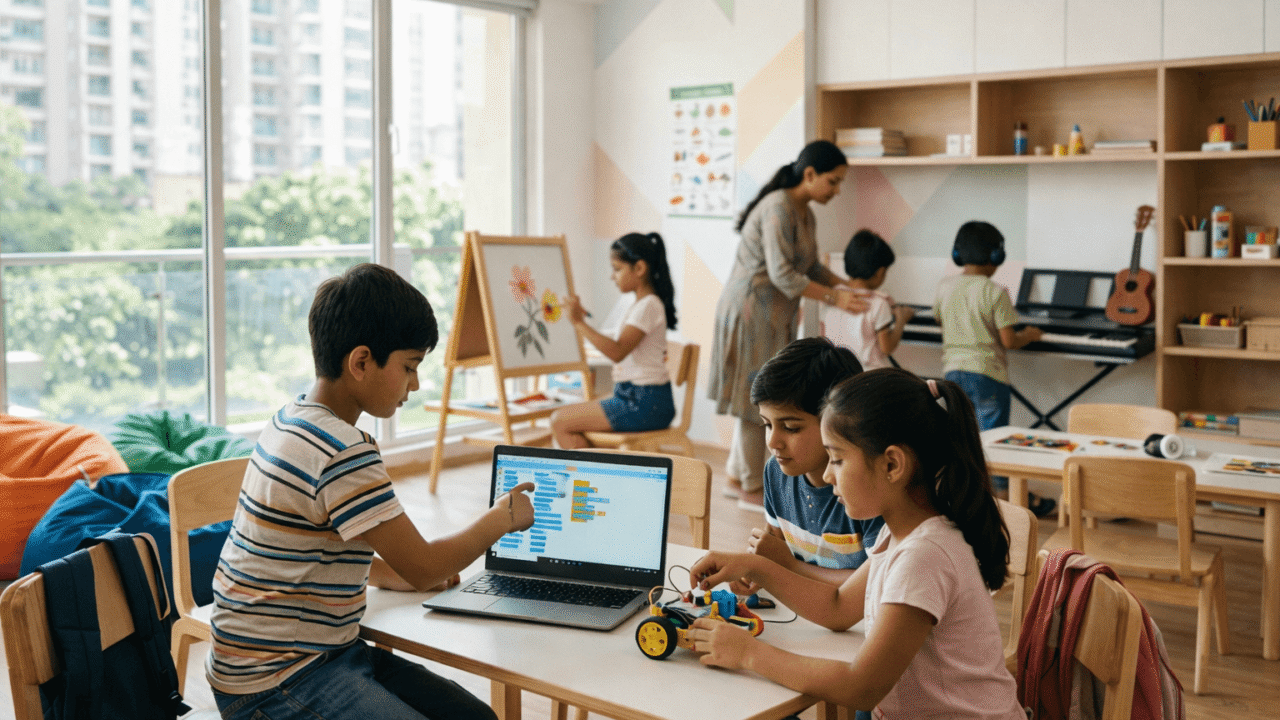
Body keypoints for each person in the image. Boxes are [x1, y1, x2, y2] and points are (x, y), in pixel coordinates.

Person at [207, 263, 537, 720]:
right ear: (361, 362)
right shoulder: (343, 450)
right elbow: (424, 567)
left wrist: (387, 574)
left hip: (307, 656)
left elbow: (314, 549)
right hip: (276, 679)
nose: (415, 384)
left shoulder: (291, 419)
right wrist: (503, 518)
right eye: (409, 366)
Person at [685, 368, 1024, 719]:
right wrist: (755, 566)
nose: (828, 475)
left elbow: (861, 687)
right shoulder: (900, 534)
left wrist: (749, 654)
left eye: (838, 459)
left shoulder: (925, 556)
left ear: (892, 464)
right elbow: (838, 607)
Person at [708, 139, 868, 507]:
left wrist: (845, 287)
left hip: (773, 314)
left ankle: (737, 475)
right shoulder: (778, 207)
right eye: (833, 181)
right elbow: (782, 273)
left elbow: (809, 267)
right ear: (809, 174)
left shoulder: (804, 212)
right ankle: (752, 484)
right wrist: (834, 298)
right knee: (758, 399)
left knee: (764, 394)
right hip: (751, 312)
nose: (837, 191)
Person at [737, 337, 883, 592]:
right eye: (767, 424)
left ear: (838, 422)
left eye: (790, 427)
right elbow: (775, 546)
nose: (773, 442)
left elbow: (876, 582)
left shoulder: (870, 487)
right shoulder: (776, 472)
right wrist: (753, 569)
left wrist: (789, 566)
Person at [935, 220, 1053, 517]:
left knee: (963, 436)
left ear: (958, 254)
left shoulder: (945, 287)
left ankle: (966, 496)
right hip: (988, 375)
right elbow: (1009, 340)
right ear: (996, 256)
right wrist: (1031, 335)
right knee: (995, 439)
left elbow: (939, 319)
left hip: (953, 373)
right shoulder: (994, 292)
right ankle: (1001, 498)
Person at [551, 232, 678, 449]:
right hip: (638, 398)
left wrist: (578, 323)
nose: (612, 276)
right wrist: (582, 321)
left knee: (559, 421)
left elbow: (617, 351)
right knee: (567, 421)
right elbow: (619, 341)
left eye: (617, 269)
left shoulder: (648, 305)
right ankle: (592, 468)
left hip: (644, 402)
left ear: (639, 268)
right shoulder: (641, 305)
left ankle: (588, 469)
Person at [821, 229, 915, 370]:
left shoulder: (833, 298)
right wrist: (901, 321)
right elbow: (886, 348)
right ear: (880, 272)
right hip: (869, 374)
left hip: (837, 372)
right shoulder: (879, 303)